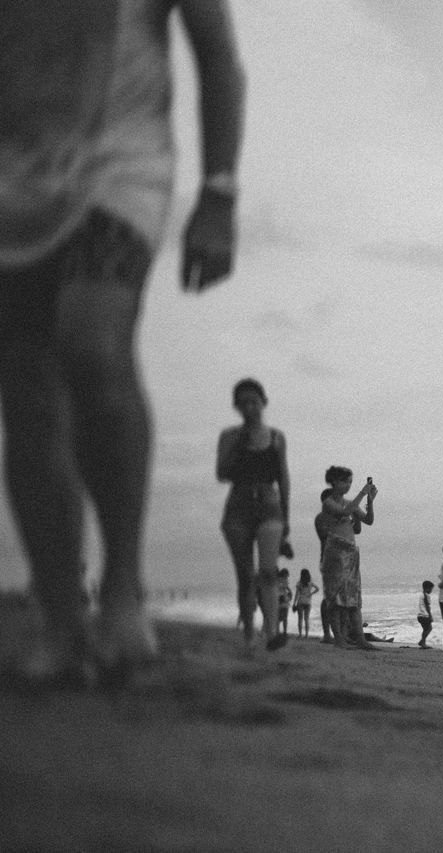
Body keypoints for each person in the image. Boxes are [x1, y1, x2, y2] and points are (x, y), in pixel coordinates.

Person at [0, 1, 245, 684]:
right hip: (13, 176)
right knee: (24, 394)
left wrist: (219, 192)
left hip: (120, 165)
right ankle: (59, 619)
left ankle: (122, 592)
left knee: (92, 344)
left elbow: (216, 53)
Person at [217, 378, 290, 652]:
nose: (249, 407)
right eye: (243, 403)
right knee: (245, 576)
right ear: (237, 406)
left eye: (254, 402)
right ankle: (249, 634)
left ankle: (271, 633)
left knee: (269, 572)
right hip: (239, 504)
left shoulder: (276, 437)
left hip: (270, 503)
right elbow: (221, 473)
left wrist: (287, 517)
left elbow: (283, 477)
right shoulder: (229, 436)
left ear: (263, 403)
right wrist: (239, 446)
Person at [317, 467, 375, 650]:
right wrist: (362, 493)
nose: (348, 485)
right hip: (335, 552)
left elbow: (367, 521)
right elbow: (344, 512)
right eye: (345, 481)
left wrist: (370, 501)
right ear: (334, 482)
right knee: (336, 598)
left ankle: (361, 639)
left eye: (350, 482)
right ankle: (339, 639)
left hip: (350, 553)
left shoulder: (350, 502)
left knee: (354, 599)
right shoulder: (328, 503)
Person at [314, 488, 335, 643]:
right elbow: (325, 535)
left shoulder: (341, 515)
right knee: (328, 596)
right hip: (328, 560)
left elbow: (356, 530)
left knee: (340, 597)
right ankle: (327, 633)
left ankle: (338, 632)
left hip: (343, 559)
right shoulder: (321, 518)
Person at [294, 568, 319, 637]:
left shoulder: (299, 584)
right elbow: (317, 589)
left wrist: (294, 603)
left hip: (301, 601)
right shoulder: (310, 583)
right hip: (308, 602)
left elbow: (297, 594)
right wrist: (311, 594)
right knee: (306, 619)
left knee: (300, 618)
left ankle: (300, 634)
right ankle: (307, 635)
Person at [416, 581, 434, 648]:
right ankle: (422, 642)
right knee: (429, 628)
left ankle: (422, 642)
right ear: (427, 588)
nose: (431, 591)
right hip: (425, 615)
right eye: (431, 589)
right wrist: (430, 616)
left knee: (425, 629)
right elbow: (427, 606)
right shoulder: (427, 595)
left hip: (420, 615)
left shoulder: (421, 594)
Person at [276, 568, 292, 636]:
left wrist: (290, 592)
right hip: (280, 599)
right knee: (281, 617)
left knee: (283, 617)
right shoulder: (278, 580)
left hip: (283, 599)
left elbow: (286, 588)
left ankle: (283, 631)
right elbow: (284, 587)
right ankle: (279, 631)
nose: (287, 576)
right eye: (286, 574)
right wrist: (290, 592)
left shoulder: (283, 580)